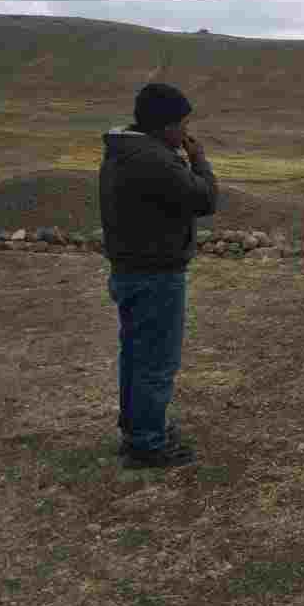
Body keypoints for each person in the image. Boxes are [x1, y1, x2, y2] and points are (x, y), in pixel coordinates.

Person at [100, 82, 218, 469]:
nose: (187, 132)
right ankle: (148, 443)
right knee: (155, 360)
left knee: (136, 355)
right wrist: (199, 160)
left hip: (133, 269)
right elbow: (204, 199)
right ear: (164, 125)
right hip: (155, 274)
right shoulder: (153, 159)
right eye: (183, 123)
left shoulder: (127, 151)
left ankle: (138, 429)